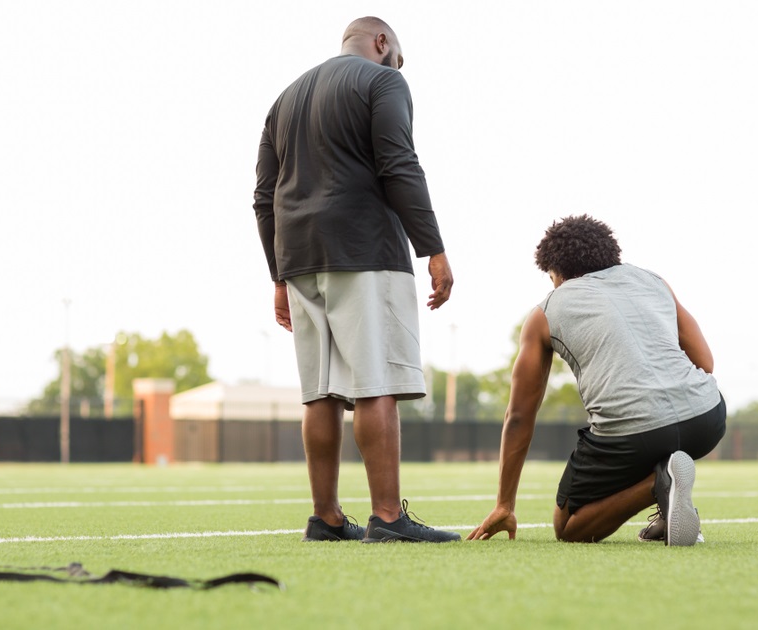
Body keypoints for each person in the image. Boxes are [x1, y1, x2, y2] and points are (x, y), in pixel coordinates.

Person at [253, 17, 459, 543]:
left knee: (319, 392)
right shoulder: (384, 81)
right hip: (363, 248)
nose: (398, 67)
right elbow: (398, 163)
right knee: (376, 383)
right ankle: (388, 518)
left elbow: (264, 195)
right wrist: (432, 248)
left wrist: (278, 276)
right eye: (397, 57)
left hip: (298, 254)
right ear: (382, 42)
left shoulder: (285, 98)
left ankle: (326, 517)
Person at [468, 215, 726, 546]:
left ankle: (659, 485)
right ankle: (668, 501)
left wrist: (505, 504)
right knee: (660, 440)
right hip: (707, 418)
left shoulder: (544, 312)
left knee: (569, 526)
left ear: (557, 273)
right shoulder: (653, 281)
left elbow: (519, 415)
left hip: (634, 432)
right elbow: (704, 363)